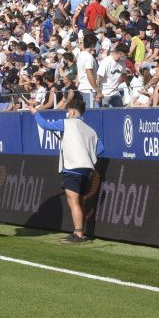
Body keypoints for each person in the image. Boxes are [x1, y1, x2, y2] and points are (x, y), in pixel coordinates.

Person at [30, 98, 102, 244]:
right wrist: (88, 158)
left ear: (73, 111)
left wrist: (35, 113)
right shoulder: (90, 130)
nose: (67, 114)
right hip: (85, 171)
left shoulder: (68, 123)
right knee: (79, 201)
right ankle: (78, 231)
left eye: (68, 111)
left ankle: (79, 234)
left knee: (73, 201)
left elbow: (44, 125)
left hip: (72, 169)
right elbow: (100, 148)